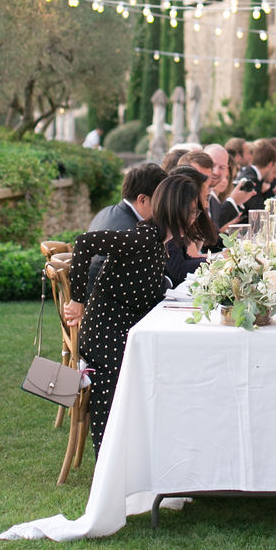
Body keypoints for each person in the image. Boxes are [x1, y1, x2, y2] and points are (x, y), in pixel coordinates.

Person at [63, 175, 200, 453]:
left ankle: (154, 450)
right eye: (194, 210)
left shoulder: (158, 239)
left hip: (127, 329)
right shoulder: (144, 237)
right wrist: (77, 300)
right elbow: (84, 243)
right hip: (106, 334)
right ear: (179, 210)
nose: (196, 216)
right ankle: (112, 459)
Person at [87, 163, 166, 232]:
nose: (165, 210)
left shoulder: (103, 213)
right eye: (161, 203)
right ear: (142, 200)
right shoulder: (134, 234)